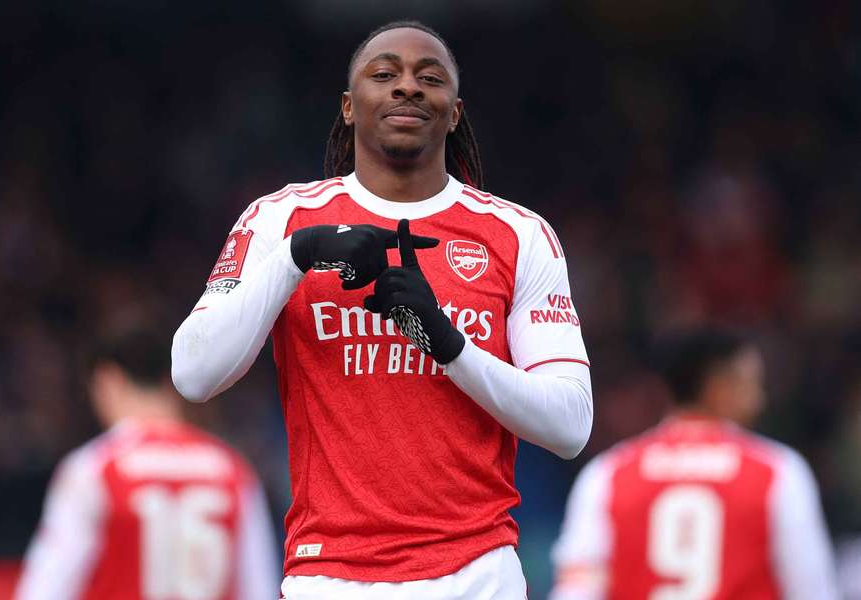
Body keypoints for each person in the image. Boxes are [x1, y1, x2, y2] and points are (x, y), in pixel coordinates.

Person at [172, 20, 592, 599]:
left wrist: (447, 343)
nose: (407, 88)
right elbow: (193, 374)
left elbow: (570, 424)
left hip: (476, 575)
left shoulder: (518, 234)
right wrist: (297, 256)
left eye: (429, 77)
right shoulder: (279, 221)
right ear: (349, 106)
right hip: (328, 577)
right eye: (384, 74)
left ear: (455, 111)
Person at [548, 329, 839, 600]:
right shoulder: (777, 471)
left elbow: (576, 590)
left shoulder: (608, 473)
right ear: (718, 387)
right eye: (750, 385)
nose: (759, 400)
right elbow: (812, 589)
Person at [15, 322, 279, 600]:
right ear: (171, 381)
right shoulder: (232, 470)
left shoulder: (95, 469)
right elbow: (258, 588)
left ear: (107, 381)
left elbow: (47, 587)